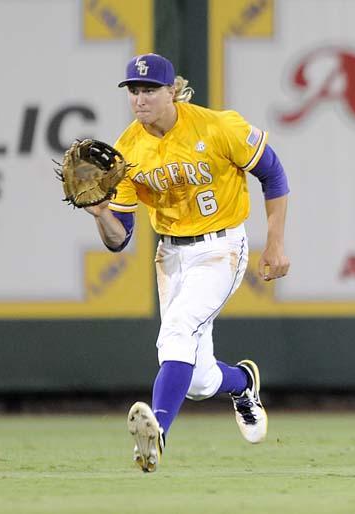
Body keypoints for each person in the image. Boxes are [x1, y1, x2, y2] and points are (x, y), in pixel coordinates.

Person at [84, 53, 290, 473]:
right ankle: (243, 384)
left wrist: (275, 245)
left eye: (150, 90)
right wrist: (101, 213)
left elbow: (274, 174)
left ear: (172, 91)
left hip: (222, 248)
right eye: (134, 91)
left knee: (177, 332)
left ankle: (158, 431)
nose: (140, 100)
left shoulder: (218, 126)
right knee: (196, 381)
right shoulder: (128, 150)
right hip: (171, 255)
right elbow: (118, 240)